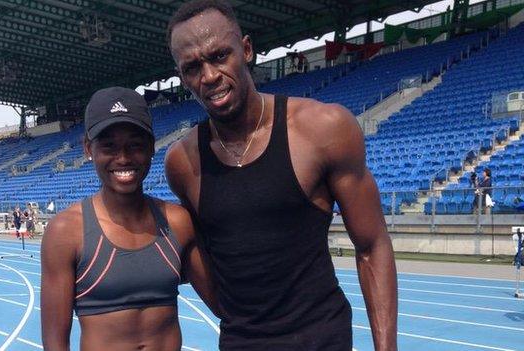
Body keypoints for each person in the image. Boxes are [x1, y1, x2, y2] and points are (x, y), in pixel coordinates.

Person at [165, 1, 398, 350]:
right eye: (193, 67)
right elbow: (204, 254)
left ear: (246, 50)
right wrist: (237, 319)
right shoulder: (182, 162)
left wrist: (386, 347)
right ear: (182, 77)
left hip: (323, 340)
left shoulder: (323, 129)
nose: (209, 75)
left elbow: (372, 245)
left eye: (219, 56)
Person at [40, 87, 216, 351]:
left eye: (135, 145)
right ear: (88, 149)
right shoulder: (66, 231)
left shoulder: (177, 223)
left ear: (151, 147)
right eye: (109, 146)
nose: (123, 158)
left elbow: (223, 304)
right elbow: (55, 342)